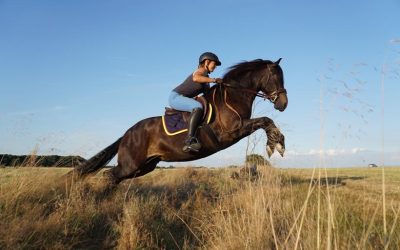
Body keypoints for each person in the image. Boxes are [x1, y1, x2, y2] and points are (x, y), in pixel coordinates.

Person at [169, 52, 223, 152]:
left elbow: (208, 95)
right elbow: (196, 78)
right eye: (214, 64)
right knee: (197, 107)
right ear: (207, 62)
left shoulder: (206, 81)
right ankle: (189, 140)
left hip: (182, 98)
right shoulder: (201, 71)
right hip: (175, 97)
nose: (215, 67)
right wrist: (214, 80)